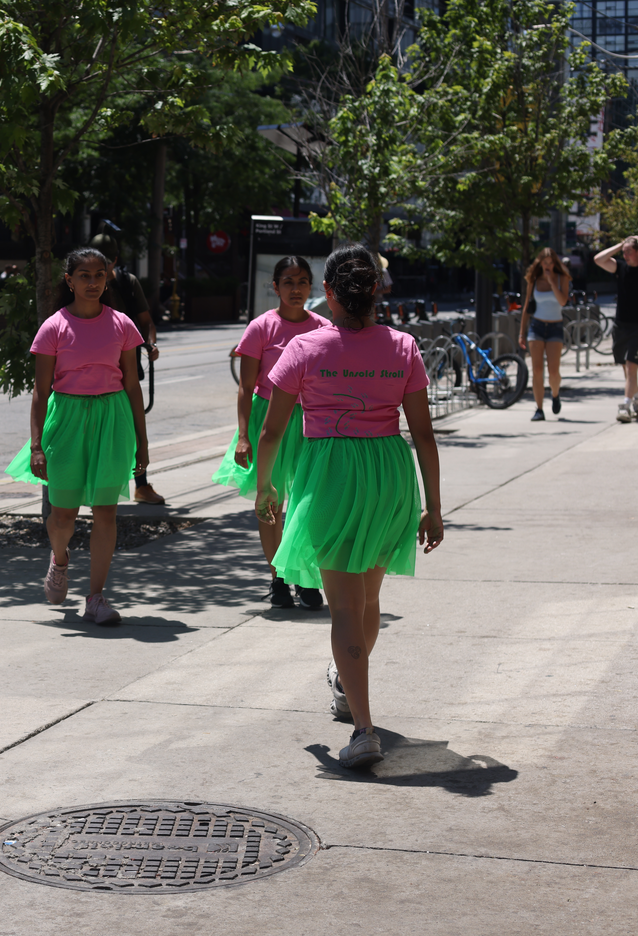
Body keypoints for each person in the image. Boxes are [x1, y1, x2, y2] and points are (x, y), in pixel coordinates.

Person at [254, 245, 443, 769]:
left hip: (330, 474)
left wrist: (265, 487)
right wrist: (435, 507)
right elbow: (424, 435)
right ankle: (347, 688)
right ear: (377, 291)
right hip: (389, 476)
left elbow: (271, 430)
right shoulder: (403, 345)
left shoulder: (302, 348)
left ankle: (364, 730)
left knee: (343, 607)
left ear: (328, 293)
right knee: (368, 599)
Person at [5, 247, 149, 625]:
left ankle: (96, 597)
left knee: (106, 512)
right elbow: (40, 391)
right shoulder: (53, 326)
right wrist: (36, 446)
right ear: (69, 281)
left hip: (111, 419)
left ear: (107, 279)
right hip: (66, 420)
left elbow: (133, 387)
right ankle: (60, 559)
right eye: (83, 276)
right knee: (63, 516)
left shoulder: (122, 324)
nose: (92, 282)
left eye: (98, 275)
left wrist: (143, 442)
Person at [211, 256, 328, 610]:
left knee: (308, 502)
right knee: (270, 502)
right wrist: (244, 435)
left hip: (310, 421)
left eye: (303, 282)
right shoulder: (261, 327)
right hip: (269, 423)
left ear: (313, 287)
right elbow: (246, 388)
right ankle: (277, 576)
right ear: (275, 287)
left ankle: (304, 578)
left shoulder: (324, 327)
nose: (297, 289)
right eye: (289, 282)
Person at [89, 233, 166, 505]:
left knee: (132, 426)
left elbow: (147, 322)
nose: (98, 272)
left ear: (114, 261)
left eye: (105, 263)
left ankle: (140, 483)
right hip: (91, 369)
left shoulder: (126, 283)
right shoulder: (84, 282)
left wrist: (150, 345)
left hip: (124, 368)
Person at [594, 235, 638, 423]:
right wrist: (621, 245)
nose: (625, 255)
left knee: (631, 367)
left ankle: (625, 405)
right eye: (624, 253)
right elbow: (598, 259)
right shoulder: (620, 268)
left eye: (629, 252)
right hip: (621, 325)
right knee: (627, 369)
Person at [517, 248, 571, 421]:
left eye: (550, 263)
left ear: (555, 263)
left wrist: (552, 282)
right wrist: (521, 333)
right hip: (537, 326)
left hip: (555, 327)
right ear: (540, 263)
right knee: (537, 370)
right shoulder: (533, 279)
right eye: (544, 263)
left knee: (553, 372)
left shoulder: (562, 278)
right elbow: (526, 306)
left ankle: (555, 395)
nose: (547, 266)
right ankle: (539, 408)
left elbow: (563, 301)